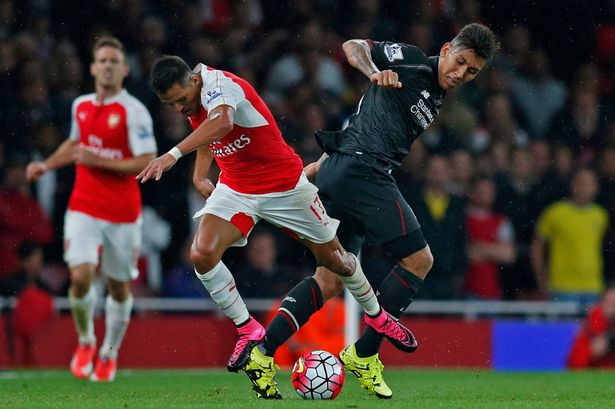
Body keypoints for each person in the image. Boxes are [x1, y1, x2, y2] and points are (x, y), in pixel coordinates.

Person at [139, 55, 417, 399]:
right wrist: (199, 175)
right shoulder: (195, 97)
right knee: (202, 254)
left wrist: (171, 156)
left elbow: (222, 123)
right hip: (237, 187)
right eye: (171, 104)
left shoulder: (220, 86)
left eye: (180, 99)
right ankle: (248, 329)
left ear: (194, 82)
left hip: (284, 185)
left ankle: (377, 317)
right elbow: (207, 131)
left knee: (338, 262)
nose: (179, 108)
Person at [256, 23, 499, 399]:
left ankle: (262, 354)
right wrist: (372, 71)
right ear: (448, 48)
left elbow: (363, 125)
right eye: (461, 62)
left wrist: (315, 170)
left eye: (472, 72)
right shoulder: (415, 63)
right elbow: (352, 44)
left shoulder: (435, 94)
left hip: (342, 170)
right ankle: (365, 354)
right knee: (419, 260)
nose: (461, 74)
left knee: (330, 281)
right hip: (363, 173)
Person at [25, 37, 158, 382]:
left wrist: (97, 159)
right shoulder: (81, 105)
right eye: (103, 60)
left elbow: (146, 160)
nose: (108, 66)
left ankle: (109, 352)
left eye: (115, 60)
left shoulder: (134, 111)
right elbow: (75, 142)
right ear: (93, 67)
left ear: (125, 69)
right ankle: (85, 341)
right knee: (81, 277)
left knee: (117, 288)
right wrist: (48, 165)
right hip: (83, 205)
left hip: (122, 212)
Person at [531, 167, 609, 305]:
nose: (586, 188)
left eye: (590, 183)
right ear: (573, 185)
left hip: (593, 288)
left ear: (596, 187)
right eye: (582, 183)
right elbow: (537, 247)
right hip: (562, 287)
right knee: (562, 327)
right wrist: (541, 279)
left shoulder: (600, 215)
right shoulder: (554, 213)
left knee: (594, 327)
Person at [568, 284, 615, 368]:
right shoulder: (590, 328)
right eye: (608, 303)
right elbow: (574, 365)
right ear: (601, 304)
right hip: (596, 374)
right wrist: (591, 352)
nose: (612, 308)